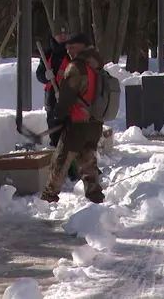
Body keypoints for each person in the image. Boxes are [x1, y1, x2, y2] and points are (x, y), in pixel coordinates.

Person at [40, 32, 106, 204]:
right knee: (88, 158)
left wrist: (58, 115)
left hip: (77, 122)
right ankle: (94, 195)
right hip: (94, 122)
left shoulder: (76, 67)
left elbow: (67, 95)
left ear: (82, 46)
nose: (68, 51)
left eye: (72, 47)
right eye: (67, 48)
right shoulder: (97, 63)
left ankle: (48, 196)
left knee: (61, 158)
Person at [35, 31, 69, 148]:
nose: (62, 36)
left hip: (68, 95)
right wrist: (45, 76)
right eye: (60, 33)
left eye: (65, 33)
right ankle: (55, 148)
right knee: (53, 124)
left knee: (68, 125)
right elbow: (39, 74)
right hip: (51, 96)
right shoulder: (47, 54)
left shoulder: (72, 54)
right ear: (54, 36)